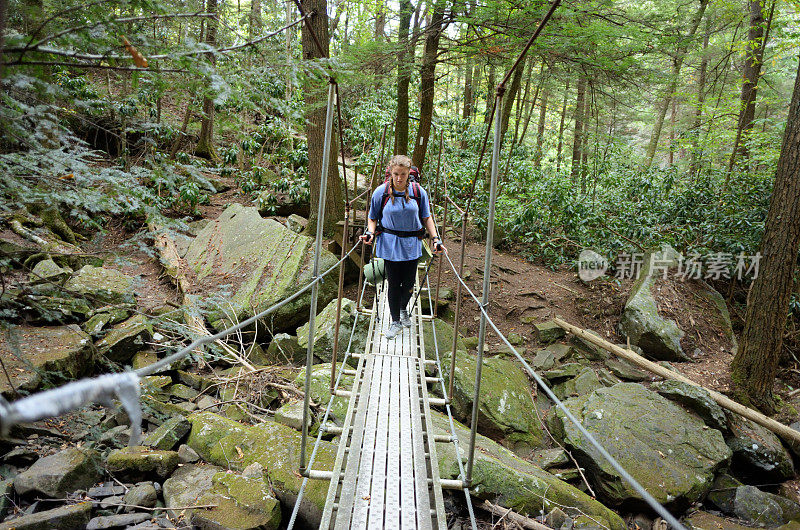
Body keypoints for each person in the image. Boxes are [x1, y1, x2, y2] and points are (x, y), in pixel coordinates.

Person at [360, 155, 445, 339]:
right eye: (396, 174)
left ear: (408, 174)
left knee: (409, 284)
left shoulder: (418, 191)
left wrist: (436, 239)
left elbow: (426, 217)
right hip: (390, 244)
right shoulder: (380, 192)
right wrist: (370, 232)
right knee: (393, 283)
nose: (399, 178)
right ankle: (395, 321)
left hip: (412, 245)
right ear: (391, 172)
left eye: (403, 174)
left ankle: (402, 308)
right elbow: (373, 217)